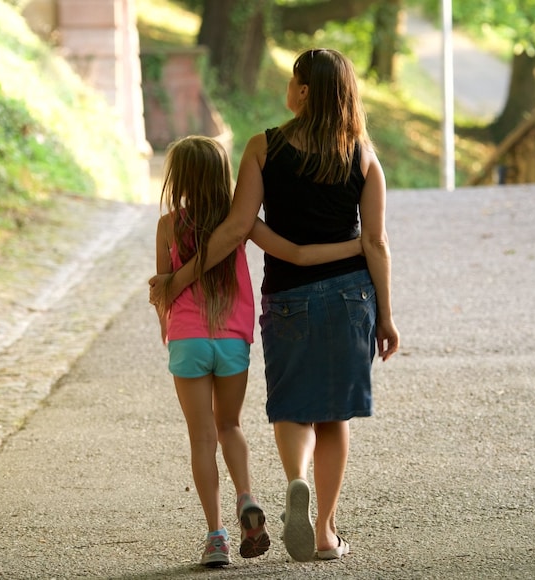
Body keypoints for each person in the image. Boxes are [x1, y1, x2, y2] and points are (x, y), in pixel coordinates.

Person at [150, 49, 400, 563]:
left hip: (288, 297)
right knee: (334, 417)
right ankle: (326, 532)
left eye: (293, 80)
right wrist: (388, 317)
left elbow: (237, 227)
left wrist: (178, 280)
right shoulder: (363, 156)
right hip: (352, 295)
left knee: (292, 408)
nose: (288, 87)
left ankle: (296, 482)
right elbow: (376, 243)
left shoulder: (264, 147)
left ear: (304, 91)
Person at [154, 135, 362, 567]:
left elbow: (164, 291)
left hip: (188, 342)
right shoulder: (240, 222)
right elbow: (296, 253)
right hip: (232, 341)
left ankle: (216, 538)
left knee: (202, 437)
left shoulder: (169, 226)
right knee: (230, 426)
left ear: (178, 179)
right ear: (223, 175)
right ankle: (246, 495)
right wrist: (360, 245)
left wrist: (168, 329)